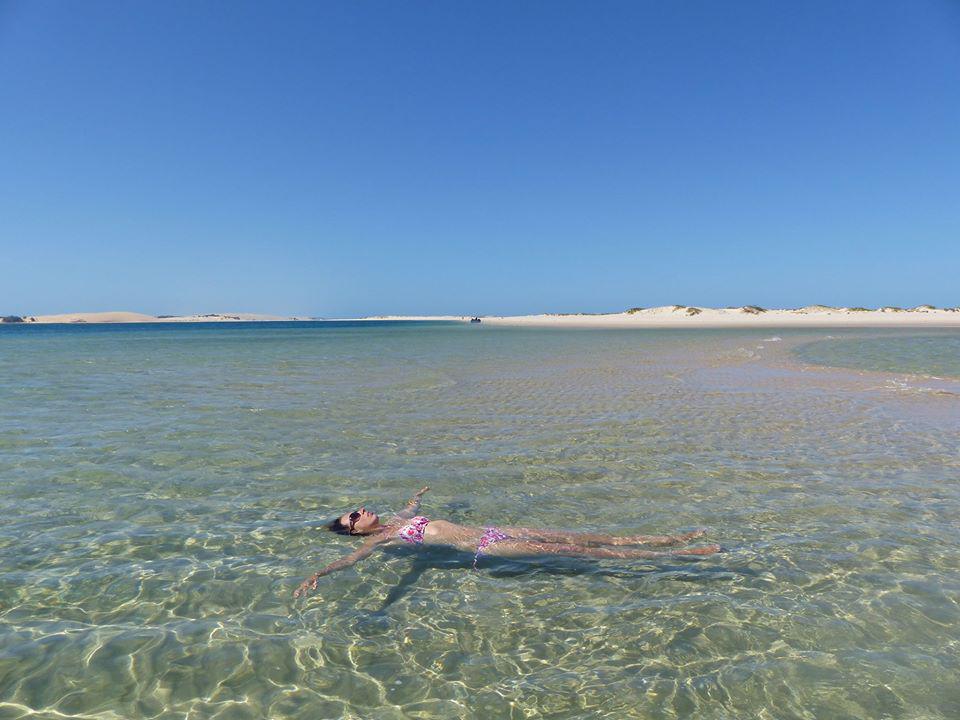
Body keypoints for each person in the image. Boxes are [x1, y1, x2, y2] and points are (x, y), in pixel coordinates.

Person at [293, 487, 720, 598]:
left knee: (588, 536)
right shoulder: (382, 542)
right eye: (354, 516)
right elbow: (352, 561)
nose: (361, 510)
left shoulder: (401, 518)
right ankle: (685, 554)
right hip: (489, 547)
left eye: (357, 508)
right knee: (579, 552)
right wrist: (318, 573)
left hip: (499, 527)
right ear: (354, 530)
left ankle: (670, 538)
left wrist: (419, 496)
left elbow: (411, 503)